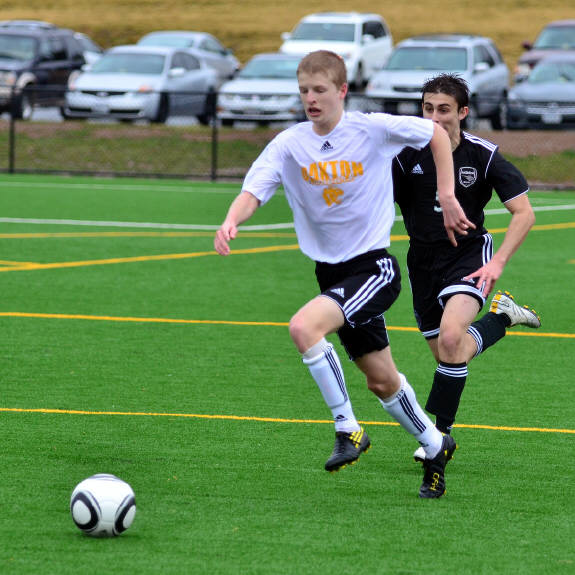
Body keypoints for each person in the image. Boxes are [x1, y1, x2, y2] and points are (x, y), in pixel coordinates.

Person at [214, 51, 474, 498]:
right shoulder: (289, 144)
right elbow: (254, 190)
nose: (311, 99)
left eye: (320, 90)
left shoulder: (371, 128)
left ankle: (347, 428)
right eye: (304, 91)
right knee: (382, 381)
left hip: (374, 269)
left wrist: (447, 195)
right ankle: (435, 445)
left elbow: (434, 133)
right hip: (331, 275)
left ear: (342, 91)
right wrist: (231, 219)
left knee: (304, 327)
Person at [392, 73, 541, 462]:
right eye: (428, 109)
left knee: (451, 338)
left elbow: (524, 213)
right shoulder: (406, 156)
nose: (435, 117)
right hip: (422, 262)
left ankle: (439, 439)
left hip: (469, 256)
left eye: (444, 109)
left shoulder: (483, 155)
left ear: (463, 112)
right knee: (450, 353)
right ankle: (502, 318)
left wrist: (497, 262)